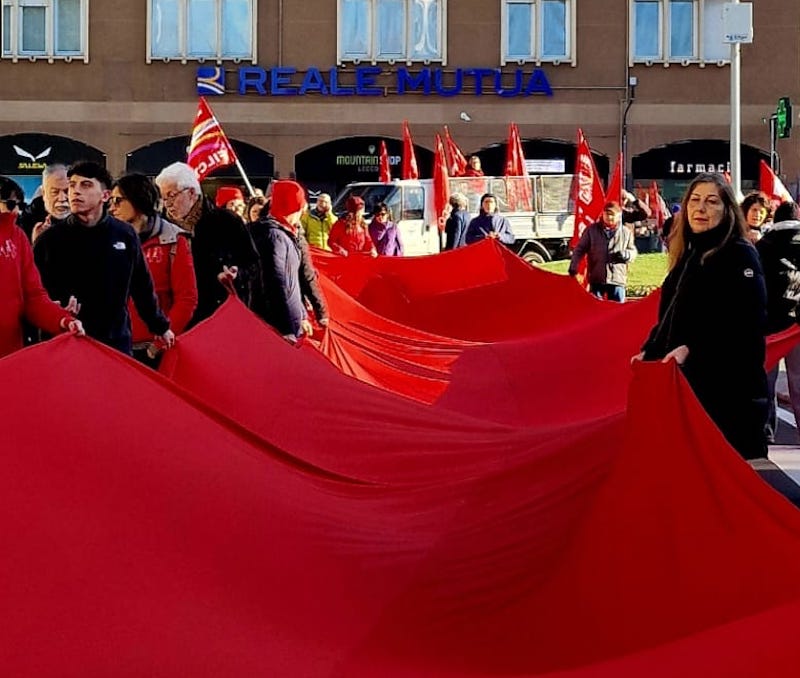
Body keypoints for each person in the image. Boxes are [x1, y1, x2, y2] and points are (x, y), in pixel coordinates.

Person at [635, 172, 768, 460]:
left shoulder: (739, 254)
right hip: (688, 390)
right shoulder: (690, 254)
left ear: (727, 209)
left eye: (711, 201)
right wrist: (651, 349)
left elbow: (746, 324)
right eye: (694, 201)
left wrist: (694, 350)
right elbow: (672, 314)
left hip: (729, 397)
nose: (701, 209)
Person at [34, 161, 173, 356]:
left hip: (115, 343)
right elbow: (34, 295)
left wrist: (160, 327)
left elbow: (142, 286)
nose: (75, 191)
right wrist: (54, 311)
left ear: (105, 196)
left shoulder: (125, 234)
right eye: (72, 185)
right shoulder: (49, 240)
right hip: (66, 343)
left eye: (86, 185)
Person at [154, 162, 261, 325]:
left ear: (191, 192)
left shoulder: (226, 221)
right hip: (175, 319)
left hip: (220, 316)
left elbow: (252, 263)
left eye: (172, 195)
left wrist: (236, 275)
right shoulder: (161, 228)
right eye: (164, 198)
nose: (168, 204)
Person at [109, 173, 198, 365]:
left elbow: (187, 298)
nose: (112, 207)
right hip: (115, 346)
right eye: (111, 201)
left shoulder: (173, 240)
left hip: (153, 350)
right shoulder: (109, 238)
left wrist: (159, 344)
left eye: (118, 200)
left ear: (137, 200)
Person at [0, 181, 83, 358]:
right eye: (11, 204)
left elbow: (34, 296)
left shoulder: (17, 236)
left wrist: (62, 320)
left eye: (20, 205)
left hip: (10, 356)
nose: (16, 211)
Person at [755, 200, 800, 442]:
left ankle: (767, 431)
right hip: (797, 324)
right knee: (799, 381)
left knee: (766, 381)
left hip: (769, 324)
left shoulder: (763, 245)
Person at [249, 180, 314, 343]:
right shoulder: (274, 236)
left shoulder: (284, 233)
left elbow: (293, 282)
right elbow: (274, 282)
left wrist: (302, 315)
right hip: (278, 327)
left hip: (289, 322)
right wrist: (285, 329)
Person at [568, 200, 637, 303]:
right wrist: (573, 267)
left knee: (618, 310)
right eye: (606, 214)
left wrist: (626, 255)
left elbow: (633, 251)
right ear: (602, 214)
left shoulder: (626, 232)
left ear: (619, 216)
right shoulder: (591, 230)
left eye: (612, 214)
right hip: (597, 278)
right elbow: (579, 249)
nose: (609, 217)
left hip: (617, 279)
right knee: (595, 309)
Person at [31, 164, 71, 244]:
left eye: (67, 191)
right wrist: (38, 242)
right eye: (54, 192)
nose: (62, 199)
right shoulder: (27, 220)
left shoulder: (89, 220)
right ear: (44, 193)